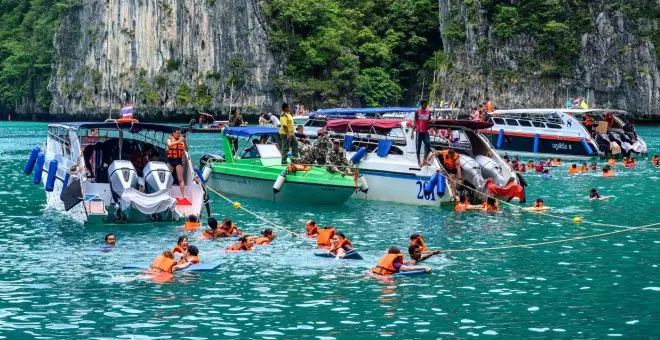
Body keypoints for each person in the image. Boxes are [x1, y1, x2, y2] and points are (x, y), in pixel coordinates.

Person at [409, 99, 432, 167]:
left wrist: (433, 120)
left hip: (425, 131)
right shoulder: (417, 112)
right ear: (421, 105)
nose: (425, 106)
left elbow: (429, 120)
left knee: (428, 145)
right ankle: (419, 161)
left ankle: (424, 160)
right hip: (419, 131)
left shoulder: (428, 111)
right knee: (418, 147)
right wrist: (412, 132)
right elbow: (415, 122)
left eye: (426, 105)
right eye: (423, 105)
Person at [166, 128, 186, 199]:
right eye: (177, 133)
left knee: (180, 179)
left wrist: (184, 142)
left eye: (179, 133)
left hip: (178, 161)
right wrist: (178, 142)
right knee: (167, 178)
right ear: (173, 133)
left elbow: (184, 152)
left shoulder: (181, 141)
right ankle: (166, 194)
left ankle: (182, 196)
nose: (178, 135)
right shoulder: (169, 139)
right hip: (171, 160)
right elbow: (169, 145)